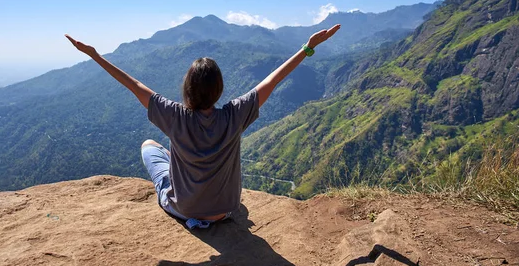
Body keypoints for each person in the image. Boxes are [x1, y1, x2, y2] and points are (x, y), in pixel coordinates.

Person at [65, 24, 340, 229]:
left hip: (184, 209)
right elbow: (273, 80)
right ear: (219, 90)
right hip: (225, 211)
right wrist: (307, 47)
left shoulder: (174, 116)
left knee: (149, 146)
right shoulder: (235, 115)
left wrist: (95, 55)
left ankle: (178, 184)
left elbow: (133, 85)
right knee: (170, 154)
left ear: (187, 89)